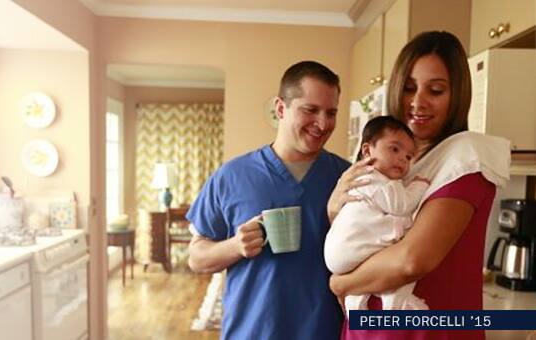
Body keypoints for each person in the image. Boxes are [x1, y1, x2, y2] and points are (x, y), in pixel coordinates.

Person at [327, 31, 510, 340]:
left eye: (435, 90)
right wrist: (335, 208)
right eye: (409, 88)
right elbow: (358, 230)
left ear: (458, 95)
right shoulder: (393, 156)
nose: (417, 102)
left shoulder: (466, 158)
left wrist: (341, 283)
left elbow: (412, 260)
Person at [186, 60, 349, 340]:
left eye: (331, 112)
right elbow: (196, 258)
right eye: (310, 110)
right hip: (251, 332)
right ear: (281, 108)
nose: (323, 124)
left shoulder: (347, 178)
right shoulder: (232, 176)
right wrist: (236, 246)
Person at [324, 116, 431, 313]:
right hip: (349, 251)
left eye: (408, 157)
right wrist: (420, 184)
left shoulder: (362, 179)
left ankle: (354, 306)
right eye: (394, 149)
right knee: (397, 259)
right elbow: (401, 205)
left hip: (342, 255)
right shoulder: (371, 178)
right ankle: (398, 304)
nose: (402, 159)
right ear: (367, 151)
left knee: (366, 280)